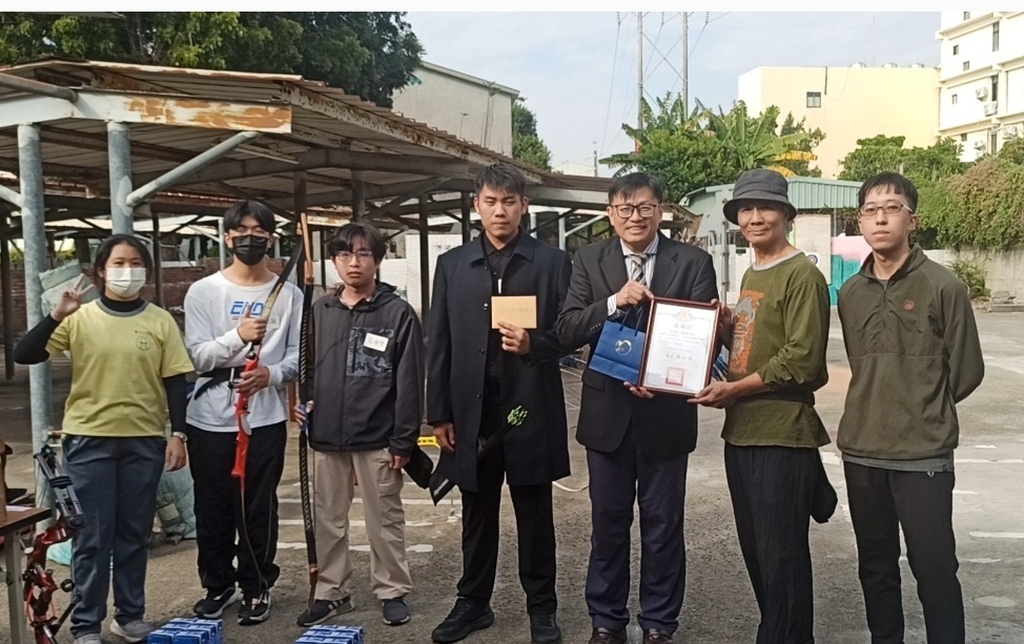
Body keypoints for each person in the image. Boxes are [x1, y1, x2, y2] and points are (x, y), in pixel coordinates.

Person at [556, 172, 719, 644]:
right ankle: (607, 620)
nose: (635, 217)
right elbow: (567, 329)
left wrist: (664, 384)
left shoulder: (693, 262)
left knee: (663, 526)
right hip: (607, 414)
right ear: (611, 215)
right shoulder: (589, 259)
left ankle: (659, 623)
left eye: (645, 207)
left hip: (665, 412)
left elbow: (700, 339)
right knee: (607, 523)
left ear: (660, 211)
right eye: (625, 209)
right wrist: (613, 301)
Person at [14, 235, 194, 644]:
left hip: (144, 441)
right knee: (92, 537)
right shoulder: (79, 317)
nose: (127, 270)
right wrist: (55, 316)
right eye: (118, 263)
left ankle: (129, 617)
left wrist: (178, 434)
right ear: (101, 270)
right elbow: (25, 354)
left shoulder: (160, 320)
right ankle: (86, 625)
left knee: (133, 533)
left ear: (146, 271)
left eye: (136, 263)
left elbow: (175, 381)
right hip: (89, 441)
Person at [427, 163, 573, 644]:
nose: (500, 211)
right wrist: (439, 414)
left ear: (524, 206)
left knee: (535, 511)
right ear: (476, 206)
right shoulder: (453, 265)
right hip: (473, 410)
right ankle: (473, 602)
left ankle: (542, 608)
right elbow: (439, 342)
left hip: (530, 406)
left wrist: (536, 342)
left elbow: (569, 332)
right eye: (490, 202)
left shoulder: (551, 263)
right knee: (477, 509)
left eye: (509, 201)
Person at [836, 172, 984, 644]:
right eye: (870, 209)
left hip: (923, 455)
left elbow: (967, 370)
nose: (880, 218)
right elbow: (861, 363)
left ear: (912, 220)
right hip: (862, 451)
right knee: (875, 568)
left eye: (892, 208)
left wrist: (924, 407)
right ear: (860, 220)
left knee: (934, 569)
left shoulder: (944, 286)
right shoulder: (850, 293)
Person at [689, 168, 834, 644]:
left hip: (781, 433)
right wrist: (724, 332)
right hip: (742, 432)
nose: (754, 218)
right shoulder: (754, 271)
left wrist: (732, 391)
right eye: (745, 209)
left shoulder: (802, 275)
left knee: (782, 557)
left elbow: (802, 359)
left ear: (786, 215)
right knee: (758, 553)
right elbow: (753, 347)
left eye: (765, 208)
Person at [292, 222, 423, 628]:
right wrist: (304, 404)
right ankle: (331, 592)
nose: (354, 262)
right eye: (345, 254)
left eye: (364, 253)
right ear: (333, 260)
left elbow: (410, 381)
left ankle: (392, 590)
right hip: (326, 435)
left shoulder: (397, 313)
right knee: (328, 519)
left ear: (378, 260)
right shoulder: (320, 311)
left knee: (384, 519)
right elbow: (308, 368)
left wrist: (403, 440)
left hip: (378, 437)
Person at [183, 200, 302, 626]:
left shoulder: (289, 294)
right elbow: (198, 356)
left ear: (271, 238)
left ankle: (257, 584)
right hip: (208, 420)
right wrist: (238, 335)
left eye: (259, 232)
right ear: (227, 237)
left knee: (258, 507)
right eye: (241, 232)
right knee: (212, 505)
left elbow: (297, 357)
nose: (249, 239)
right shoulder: (203, 291)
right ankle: (217, 585)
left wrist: (271, 375)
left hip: (264, 419)